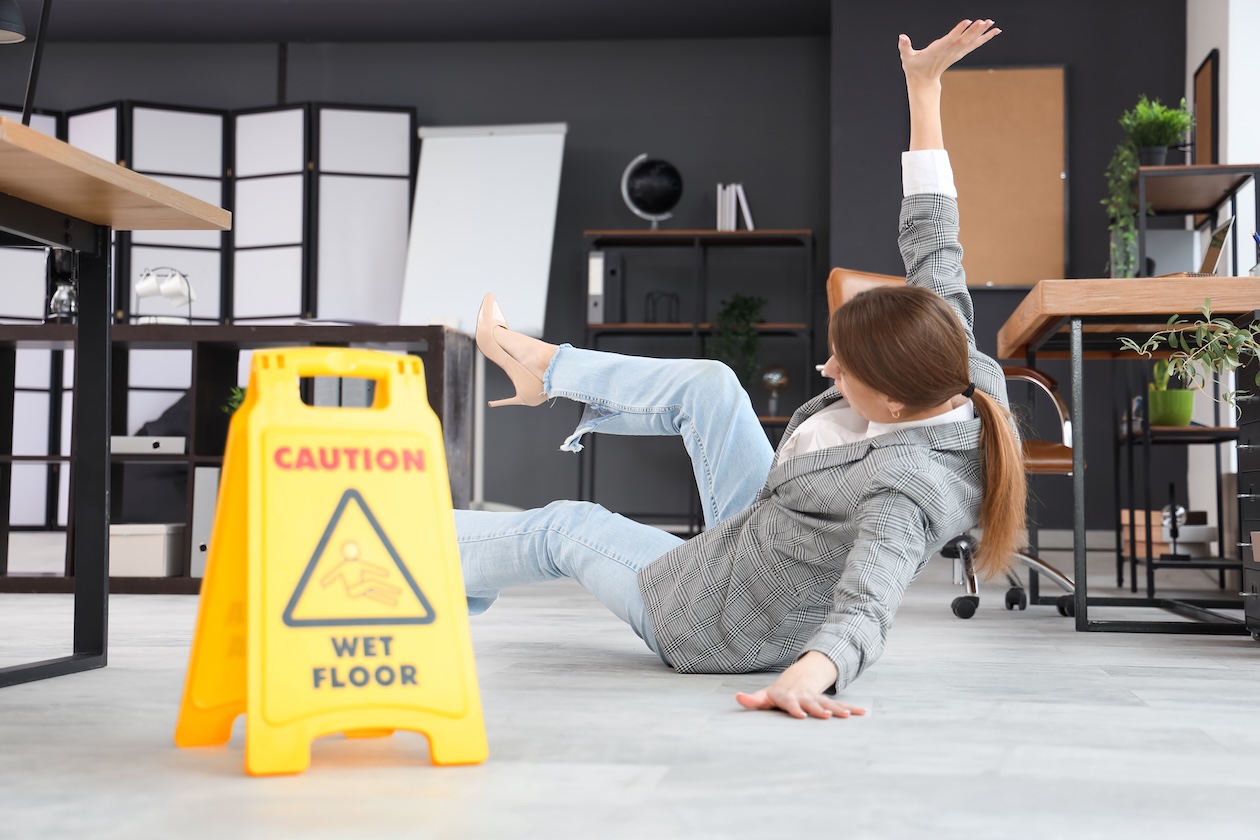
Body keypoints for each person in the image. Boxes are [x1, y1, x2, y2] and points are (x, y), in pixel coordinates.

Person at [453, 19, 1023, 720]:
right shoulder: (952, 357)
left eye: (845, 373)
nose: (828, 371)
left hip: (722, 620)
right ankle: (547, 371)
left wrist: (805, 680)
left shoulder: (911, 490)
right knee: (713, 384)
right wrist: (924, 87)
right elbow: (935, 234)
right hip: (764, 532)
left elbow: (869, 605)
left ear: (898, 406)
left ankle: (395, 543)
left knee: (564, 527)